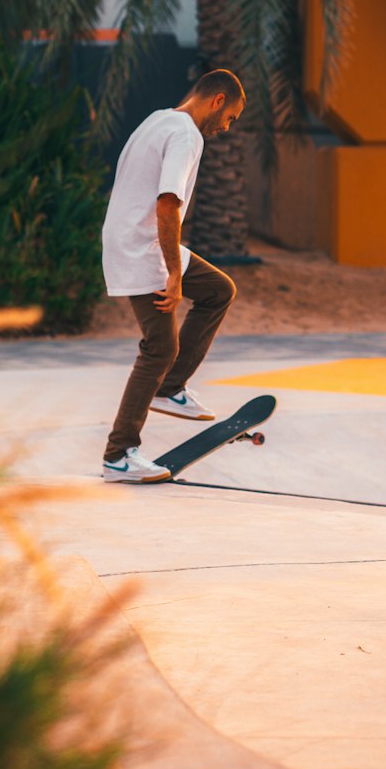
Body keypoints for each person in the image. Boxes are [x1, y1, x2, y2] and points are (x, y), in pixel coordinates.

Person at [101, 69, 246, 482]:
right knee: (160, 347)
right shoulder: (186, 135)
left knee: (219, 289)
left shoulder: (158, 119)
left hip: (131, 236)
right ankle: (119, 455)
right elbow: (167, 205)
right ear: (217, 100)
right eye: (231, 117)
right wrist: (174, 273)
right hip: (141, 244)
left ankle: (171, 388)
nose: (226, 127)